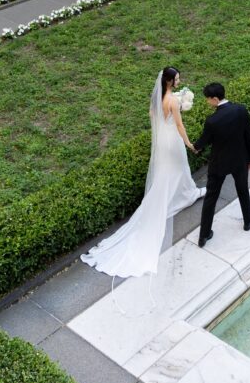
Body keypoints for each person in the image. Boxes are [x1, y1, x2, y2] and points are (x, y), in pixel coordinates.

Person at [81, 67, 204, 278]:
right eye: (176, 79)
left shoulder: (158, 99)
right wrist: (189, 143)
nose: (179, 80)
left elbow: (152, 114)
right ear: (169, 82)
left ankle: (184, 193)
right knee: (177, 168)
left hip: (162, 140)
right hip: (173, 140)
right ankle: (184, 194)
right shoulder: (173, 102)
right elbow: (180, 126)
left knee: (168, 171)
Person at [193, 82, 250, 249]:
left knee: (210, 199)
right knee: (243, 190)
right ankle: (248, 221)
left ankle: (204, 235)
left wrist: (191, 145)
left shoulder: (212, 121)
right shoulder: (241, 110)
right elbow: (249, 135)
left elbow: (201, 143)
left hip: (218, 164)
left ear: (215, 99)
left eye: (208, 99)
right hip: (239, 160)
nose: (207, 102)